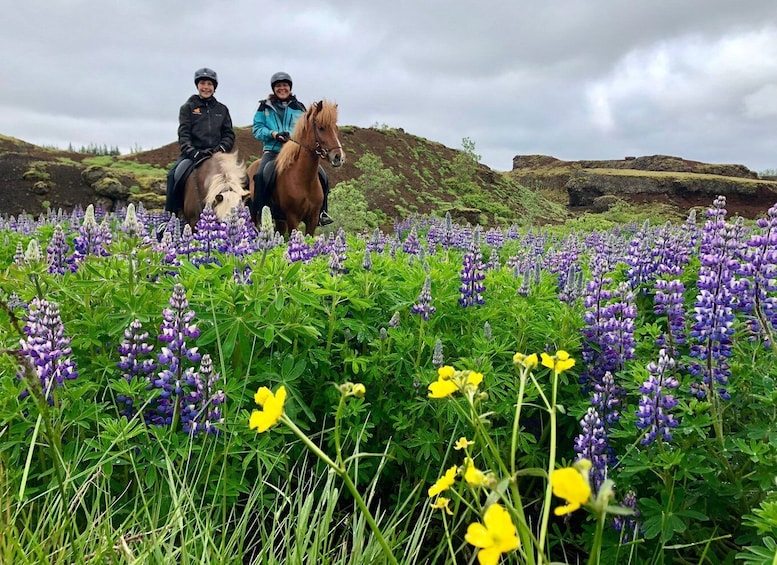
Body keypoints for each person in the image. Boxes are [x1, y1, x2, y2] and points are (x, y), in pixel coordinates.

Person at [251, 71, 334, 226]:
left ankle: (322, 212)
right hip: (273, 151)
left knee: (323, 176)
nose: (282, 88)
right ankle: (260, 213)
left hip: (296, 151)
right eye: (278, 86)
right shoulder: (264, 107)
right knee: (263, 174)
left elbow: (308, 129)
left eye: (285, 85)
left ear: (290, 88)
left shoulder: (299, 107)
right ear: (274, 88)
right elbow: (257, 129)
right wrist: (274, 134)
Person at [164, 67, 235, 215]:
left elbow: (229, 134)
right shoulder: (188, 107)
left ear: (214, 87)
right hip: (193, 155)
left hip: (218, 155)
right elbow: (183, 135)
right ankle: (170, 216)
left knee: (243, 177)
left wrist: (221, 148)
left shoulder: (222, 109)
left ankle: (249, 216)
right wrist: (193, 153)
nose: (206, 87)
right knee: (173, 176)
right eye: (203, 83)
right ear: (197, 85)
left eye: (209, 84)